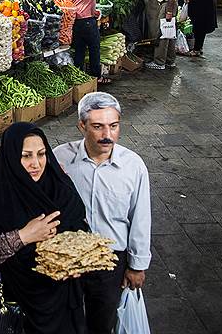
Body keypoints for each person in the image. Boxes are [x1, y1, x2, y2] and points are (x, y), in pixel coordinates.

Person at [0, 123, 90, 334]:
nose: (36, 164)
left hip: (60, 303)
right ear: (11, 158)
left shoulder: (61, 188)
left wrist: (74, 260)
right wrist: (23, 236)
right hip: (12, 304)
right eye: (26, 156)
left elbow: (81, 230)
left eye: (41, 154)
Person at [54, 93, 151, 334]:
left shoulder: (133, 166)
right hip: (68, 258)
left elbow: (140, 217)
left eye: (113, 126)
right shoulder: (60, 158)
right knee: (64, 319)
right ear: (82, 126)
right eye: (98, 127)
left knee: (102, 321)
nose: (107, 135)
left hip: (111, 261)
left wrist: (137, 265)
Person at [62, 0, 108, 85]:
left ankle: (79, 76)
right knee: (94, 48)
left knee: (79, 50)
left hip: (75, 21)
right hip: (88, 20)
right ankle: (96, 76)